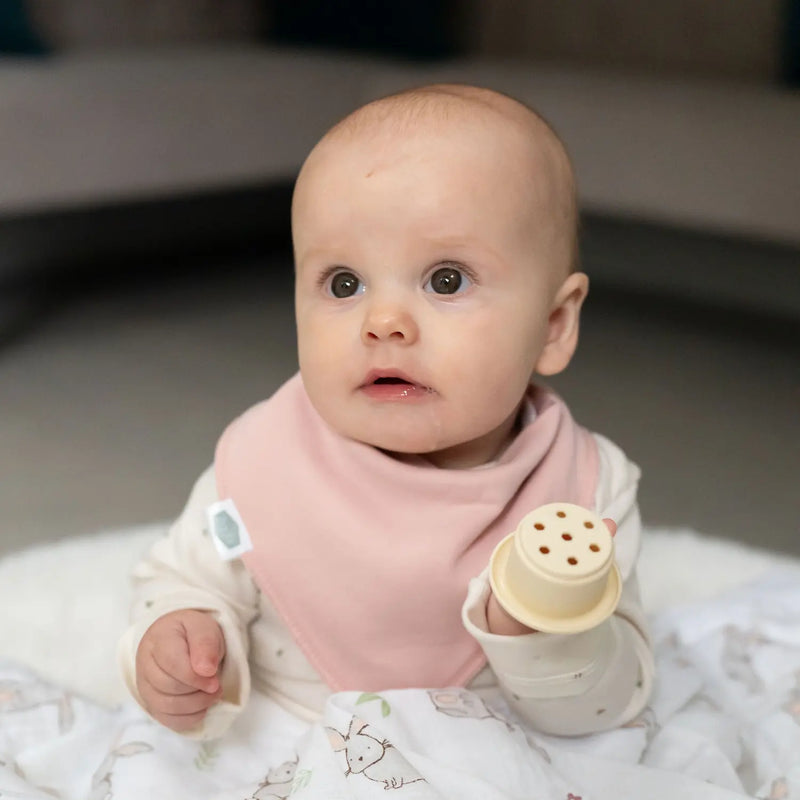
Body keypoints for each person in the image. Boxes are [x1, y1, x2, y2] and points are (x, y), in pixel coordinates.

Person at [118, 84, 654, 740]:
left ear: (553, 325)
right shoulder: (262, 471)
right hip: (293, 737)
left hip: (490, 759)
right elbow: (187, 574)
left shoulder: (584, 492)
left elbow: (614, 702)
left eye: (446, 279)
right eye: (344, 284)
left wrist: (546, 636)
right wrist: (183, 633)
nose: (385, 322)